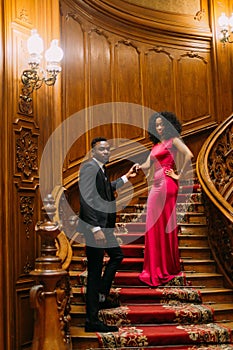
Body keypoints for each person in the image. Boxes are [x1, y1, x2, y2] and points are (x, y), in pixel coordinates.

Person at [77, 137, 138, 332]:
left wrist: (126, 177)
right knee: (94, 271)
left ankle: (101, 294)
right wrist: (95, 229)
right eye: (102, 149)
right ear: (93, 152)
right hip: (96, 228)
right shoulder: (89, 168)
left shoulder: (100, 170)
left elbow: (106, 189)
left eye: (108, 149)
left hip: (104, 227)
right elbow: (86, 198)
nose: (106, 152)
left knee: (117, 256)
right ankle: (92, 320)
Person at [136, 111, 194, 287]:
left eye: (162, 124)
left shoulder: (173, 140)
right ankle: (155, 267)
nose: (160, 128)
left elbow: (189, 155)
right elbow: (148, 164)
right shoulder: (156, 145)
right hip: (156, 185)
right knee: (153, 225)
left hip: (167, 184)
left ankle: (166, 267)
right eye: (157, 125)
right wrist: (138, 166)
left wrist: (179, 175)